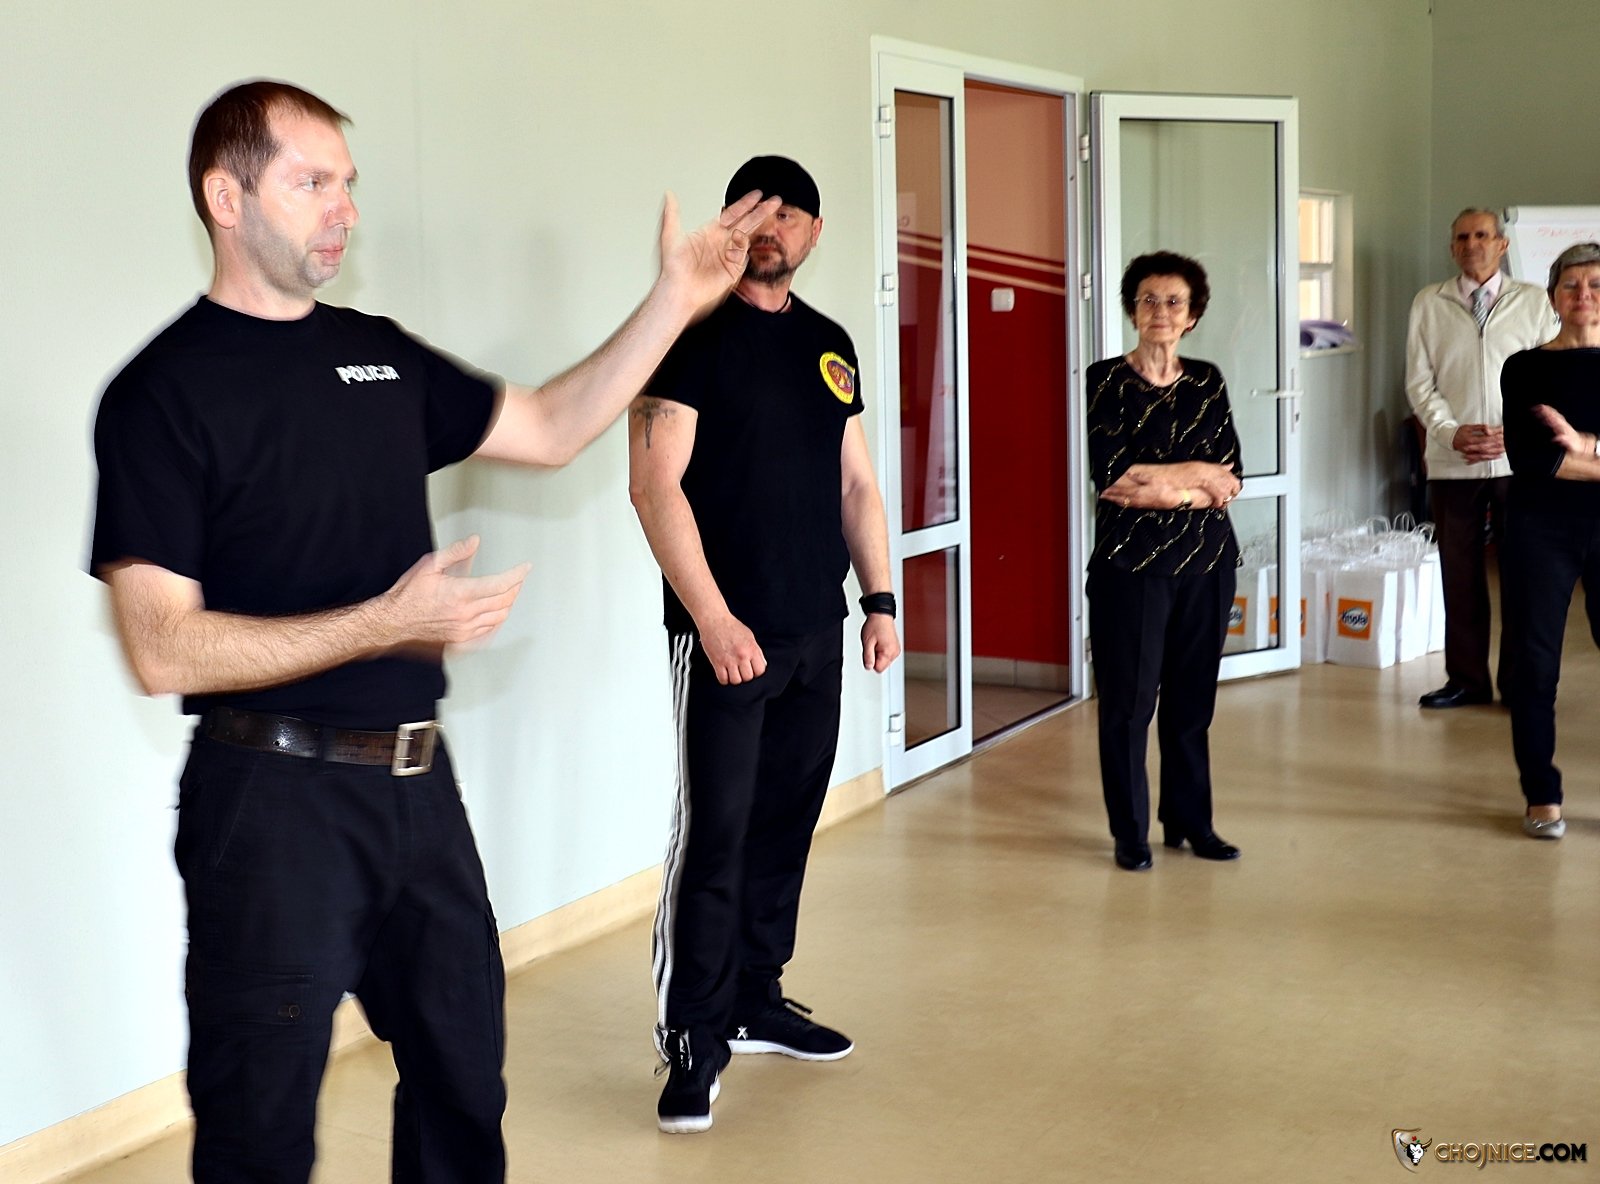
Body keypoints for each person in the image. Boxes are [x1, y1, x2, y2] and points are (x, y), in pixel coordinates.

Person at [86, 79, 778, 1184]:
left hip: (417, 790)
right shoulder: (160, 394)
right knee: (259, 1125)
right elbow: (162, 645)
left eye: (348, 185)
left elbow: (549, 427)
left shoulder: (377, 354)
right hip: (270, 806)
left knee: (463, 1081)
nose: (345, 210)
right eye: (313, 183)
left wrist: (671, 301)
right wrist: (385, 622)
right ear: (226, 197)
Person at [626, 156, 901, 1134]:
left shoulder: (829, 344)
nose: (774, 227)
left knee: (785, 823)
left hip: (815, 631)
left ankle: (754, 996)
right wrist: (712, 618)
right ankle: (691, 1038)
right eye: (758, 210)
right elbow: (653, 486)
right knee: (713, 834)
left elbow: (856, 483)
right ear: (732, 223)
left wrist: (878, 599)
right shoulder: (687, 335)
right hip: (724, 640)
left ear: (815, 234)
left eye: (792, 213)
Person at [1086, 251, 1245, 873]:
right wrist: (1195, 481)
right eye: (1149, 299)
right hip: (1131, 568)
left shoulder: (1207, 381)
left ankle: (1189, 821)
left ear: (1192, 315)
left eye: (1174, 301)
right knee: (1128, 708)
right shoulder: (1106, 380)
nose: (1161, 311)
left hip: (1208, 564)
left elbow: (1230, 477)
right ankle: (1130, 833)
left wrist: (1162, 484)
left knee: (1191, 705)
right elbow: (1112, 476)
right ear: (1132, 310)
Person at [1404, 209, 1558, 709]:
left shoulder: (1534, 301)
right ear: (1452, 247)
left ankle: (1518, 682)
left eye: (1483, 235)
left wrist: (1518, 433)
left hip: (1520, 463)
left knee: (1522, 574)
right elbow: (1419, 382)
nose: (1472, 244)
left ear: (1502, 244)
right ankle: (1467, 681)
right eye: (1462, 237)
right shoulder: (1429, 302)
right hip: (1454, 462)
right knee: (1461, 575)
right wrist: (1451, 433)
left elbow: (1549, 376)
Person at [1498, 241, 1600, 841]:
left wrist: (1587, 448)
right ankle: (1542, 794)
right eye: (1571, 285)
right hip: (1542, 530)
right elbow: (1534, 461)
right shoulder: (1525, 368)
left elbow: (1566, 458)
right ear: (1553, 296)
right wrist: (1578, 455)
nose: (1584, 295)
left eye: (1596, 284)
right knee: (1535, 666)